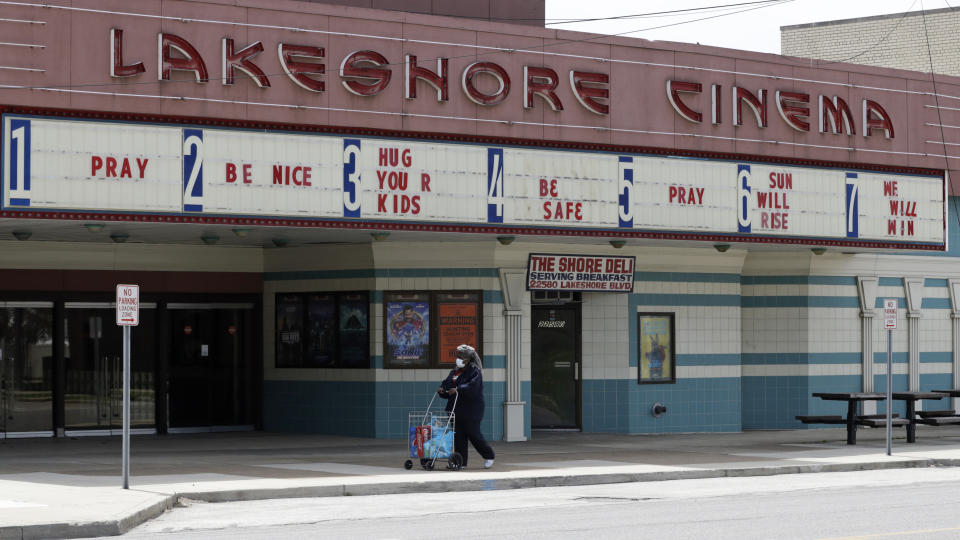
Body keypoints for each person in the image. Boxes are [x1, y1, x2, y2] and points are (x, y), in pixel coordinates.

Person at [438, 344, 495, 469]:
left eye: (461, 356)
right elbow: (448, 384)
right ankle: (460, 462)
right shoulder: (455, 371)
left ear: (468, 358)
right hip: (456, 410)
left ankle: (489, 455)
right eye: (457, 356)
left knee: (473, 434)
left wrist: (458, 389)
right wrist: (443, 390)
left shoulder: (475, 371)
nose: (458, 359)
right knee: (458, 436)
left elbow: (473, 387)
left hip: (471, 410)